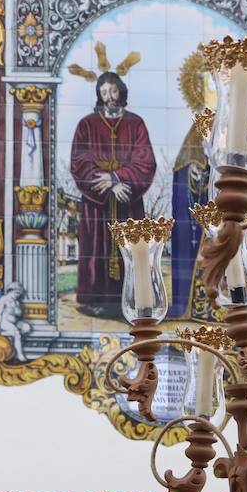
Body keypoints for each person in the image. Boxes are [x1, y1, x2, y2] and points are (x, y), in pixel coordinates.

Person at [68, 70, 157, 318]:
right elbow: (79, 162)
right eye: (104, 92)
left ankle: (133, 300)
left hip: (128, 201)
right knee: (96, 250)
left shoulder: (136, 123)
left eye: (114, 91)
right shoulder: (86, 124)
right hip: (97, 205)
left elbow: (145, 161)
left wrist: (119, 178)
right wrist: (108, 184)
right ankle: (95, 300)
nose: (110, 97)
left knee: (130, 250)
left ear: (122, 91)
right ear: (99, 95)